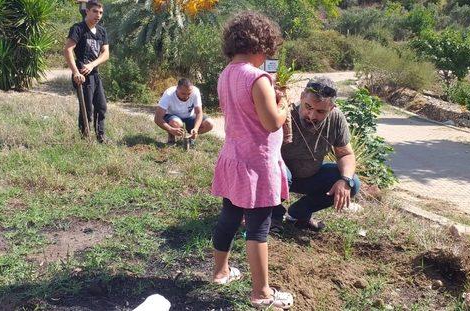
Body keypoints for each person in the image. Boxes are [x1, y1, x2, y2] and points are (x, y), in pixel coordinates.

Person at [211, 11, 294, 310]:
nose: (267, 57)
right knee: (258, 228)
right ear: (261, 45)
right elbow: (272, 123)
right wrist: (283, 105)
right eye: (268, 51)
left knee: (229, 218)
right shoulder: (257, 77)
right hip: (257, 164)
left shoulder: (226, 73)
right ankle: (262, 293)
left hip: (233, 158)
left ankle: (220, 271)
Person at [272, 77, 361, 231]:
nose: (311, 115)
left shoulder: (336, 118)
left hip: (311, 177)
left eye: (320, 111)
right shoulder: (285, 113)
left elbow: (345, 154)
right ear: (301, 97)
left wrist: (345, 180)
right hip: (280, 176)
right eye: (308, 107)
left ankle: (300, 214)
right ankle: (272, 214)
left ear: (332, 108)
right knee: (278, 172)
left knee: (353, 183)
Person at [63, 0, 110, 143]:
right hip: (82, 76)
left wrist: (92, 64)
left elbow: (106, 53)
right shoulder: (78, 28)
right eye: (95, 11)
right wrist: (76, 72)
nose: (98, 15)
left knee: (101, 107)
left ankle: (100, 137)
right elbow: (68, 50)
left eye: (101, 12)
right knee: (87, 109)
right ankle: (85, 139)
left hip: (95, 74)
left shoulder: (102, 31)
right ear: (87, 11)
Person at [153, 78, 214, 145]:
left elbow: (199, 113)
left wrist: (196, 129)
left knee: (209, 123)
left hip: (189, 117)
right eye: (183, 93)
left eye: (189, 93)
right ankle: (171, 138)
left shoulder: (195, 91)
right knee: (176, 122)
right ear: (177, 89)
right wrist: (170, 129)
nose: (186, 96)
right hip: (173, 118)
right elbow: (157, 118)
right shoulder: (168, 94)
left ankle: (190, 138)